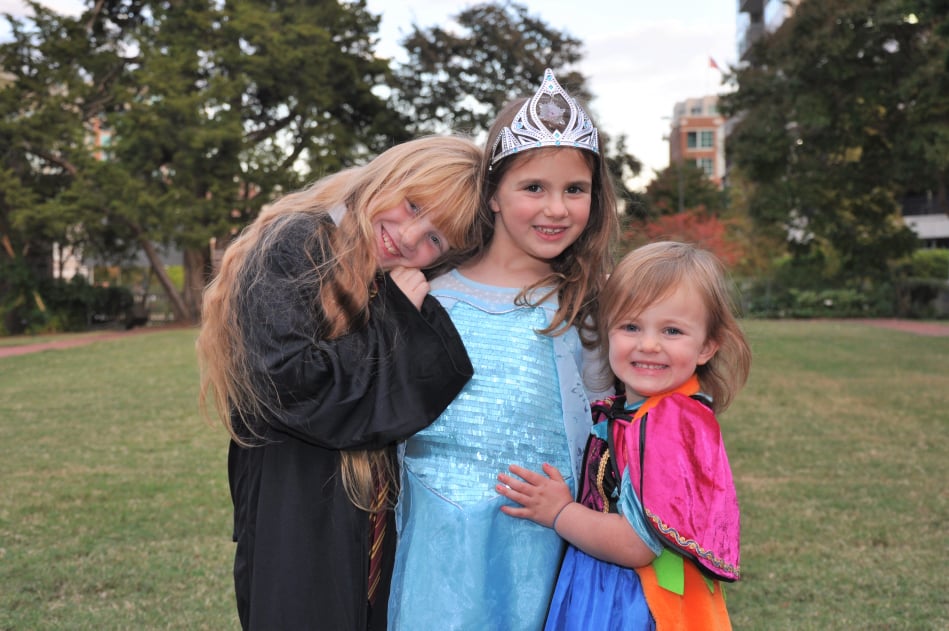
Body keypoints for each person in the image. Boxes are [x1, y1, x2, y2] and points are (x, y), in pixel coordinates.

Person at [195, 135, 484, 631]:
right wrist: (394, 321)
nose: (411, 236)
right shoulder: (296, 243)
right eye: (413, 204)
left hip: (364, 511)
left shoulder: (382, 274)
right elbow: (289, 382)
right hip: (295, 506)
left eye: (436, 238)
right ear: (388, 174)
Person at [387, 69, 620, 629]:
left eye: (574, 190)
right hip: (435, 544)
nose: (556, 209)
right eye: (533, 188)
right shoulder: (427, 297)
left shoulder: (590, 307)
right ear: (493, 194)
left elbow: (610, 428)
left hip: (542, 545)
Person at [497, 240, 753, 630]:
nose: (648, 344)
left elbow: (637, 545)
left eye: (672, 330)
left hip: (635, 604)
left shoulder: (669, 422)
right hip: (609, 590)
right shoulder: (640, 409)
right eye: (630, 325)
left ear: (707, 346)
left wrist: (560, 512)